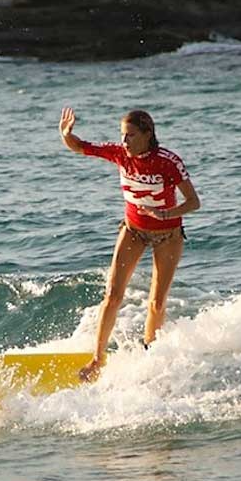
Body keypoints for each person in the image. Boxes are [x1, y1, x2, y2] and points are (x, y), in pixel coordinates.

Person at [59, 106, 201, 381]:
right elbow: (80, 147)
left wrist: (165, 214)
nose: (125, 142)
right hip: (133, 230)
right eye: (122, 136)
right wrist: (66, 134)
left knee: (157, 303)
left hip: (168, 236)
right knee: (112, 294)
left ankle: (151, 357)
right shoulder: (120, 154)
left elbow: (194, 202)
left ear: (148, 134)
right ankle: (97, 360)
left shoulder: (168, 162)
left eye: (130, 136)